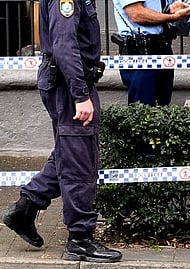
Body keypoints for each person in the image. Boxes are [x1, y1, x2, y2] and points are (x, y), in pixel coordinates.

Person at [1, 0, 122, 263]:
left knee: (71, 152)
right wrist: (80, 95)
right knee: (79, 162)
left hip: (72, 83)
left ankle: (25, 209)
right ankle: (80, 239)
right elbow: (64, 46)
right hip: (69, 87)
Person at [112, 0, 190, 106]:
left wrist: (171, 10)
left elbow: (158, 9)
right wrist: (173, 17)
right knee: (143, 110)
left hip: (163, 47)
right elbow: (137, 14)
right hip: (140, 52)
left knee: (162, 108)